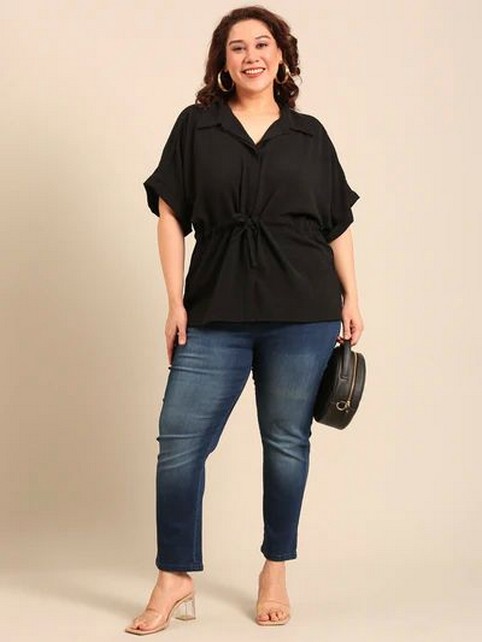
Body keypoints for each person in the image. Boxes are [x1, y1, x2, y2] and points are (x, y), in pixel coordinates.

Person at [125, 5, 364, 635]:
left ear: (281, 56)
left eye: (262, 44)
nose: (251, 55)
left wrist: (352, 296)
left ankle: (275, 569)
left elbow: (336, 222)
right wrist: (175, 301)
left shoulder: (309, 135)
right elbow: (171, 216)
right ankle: (174, 577)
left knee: (286, 443)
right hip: (215, 309)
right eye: (237, 47)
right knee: (179, 442)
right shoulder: (196, 126)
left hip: (303, 311)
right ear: (223, 62)